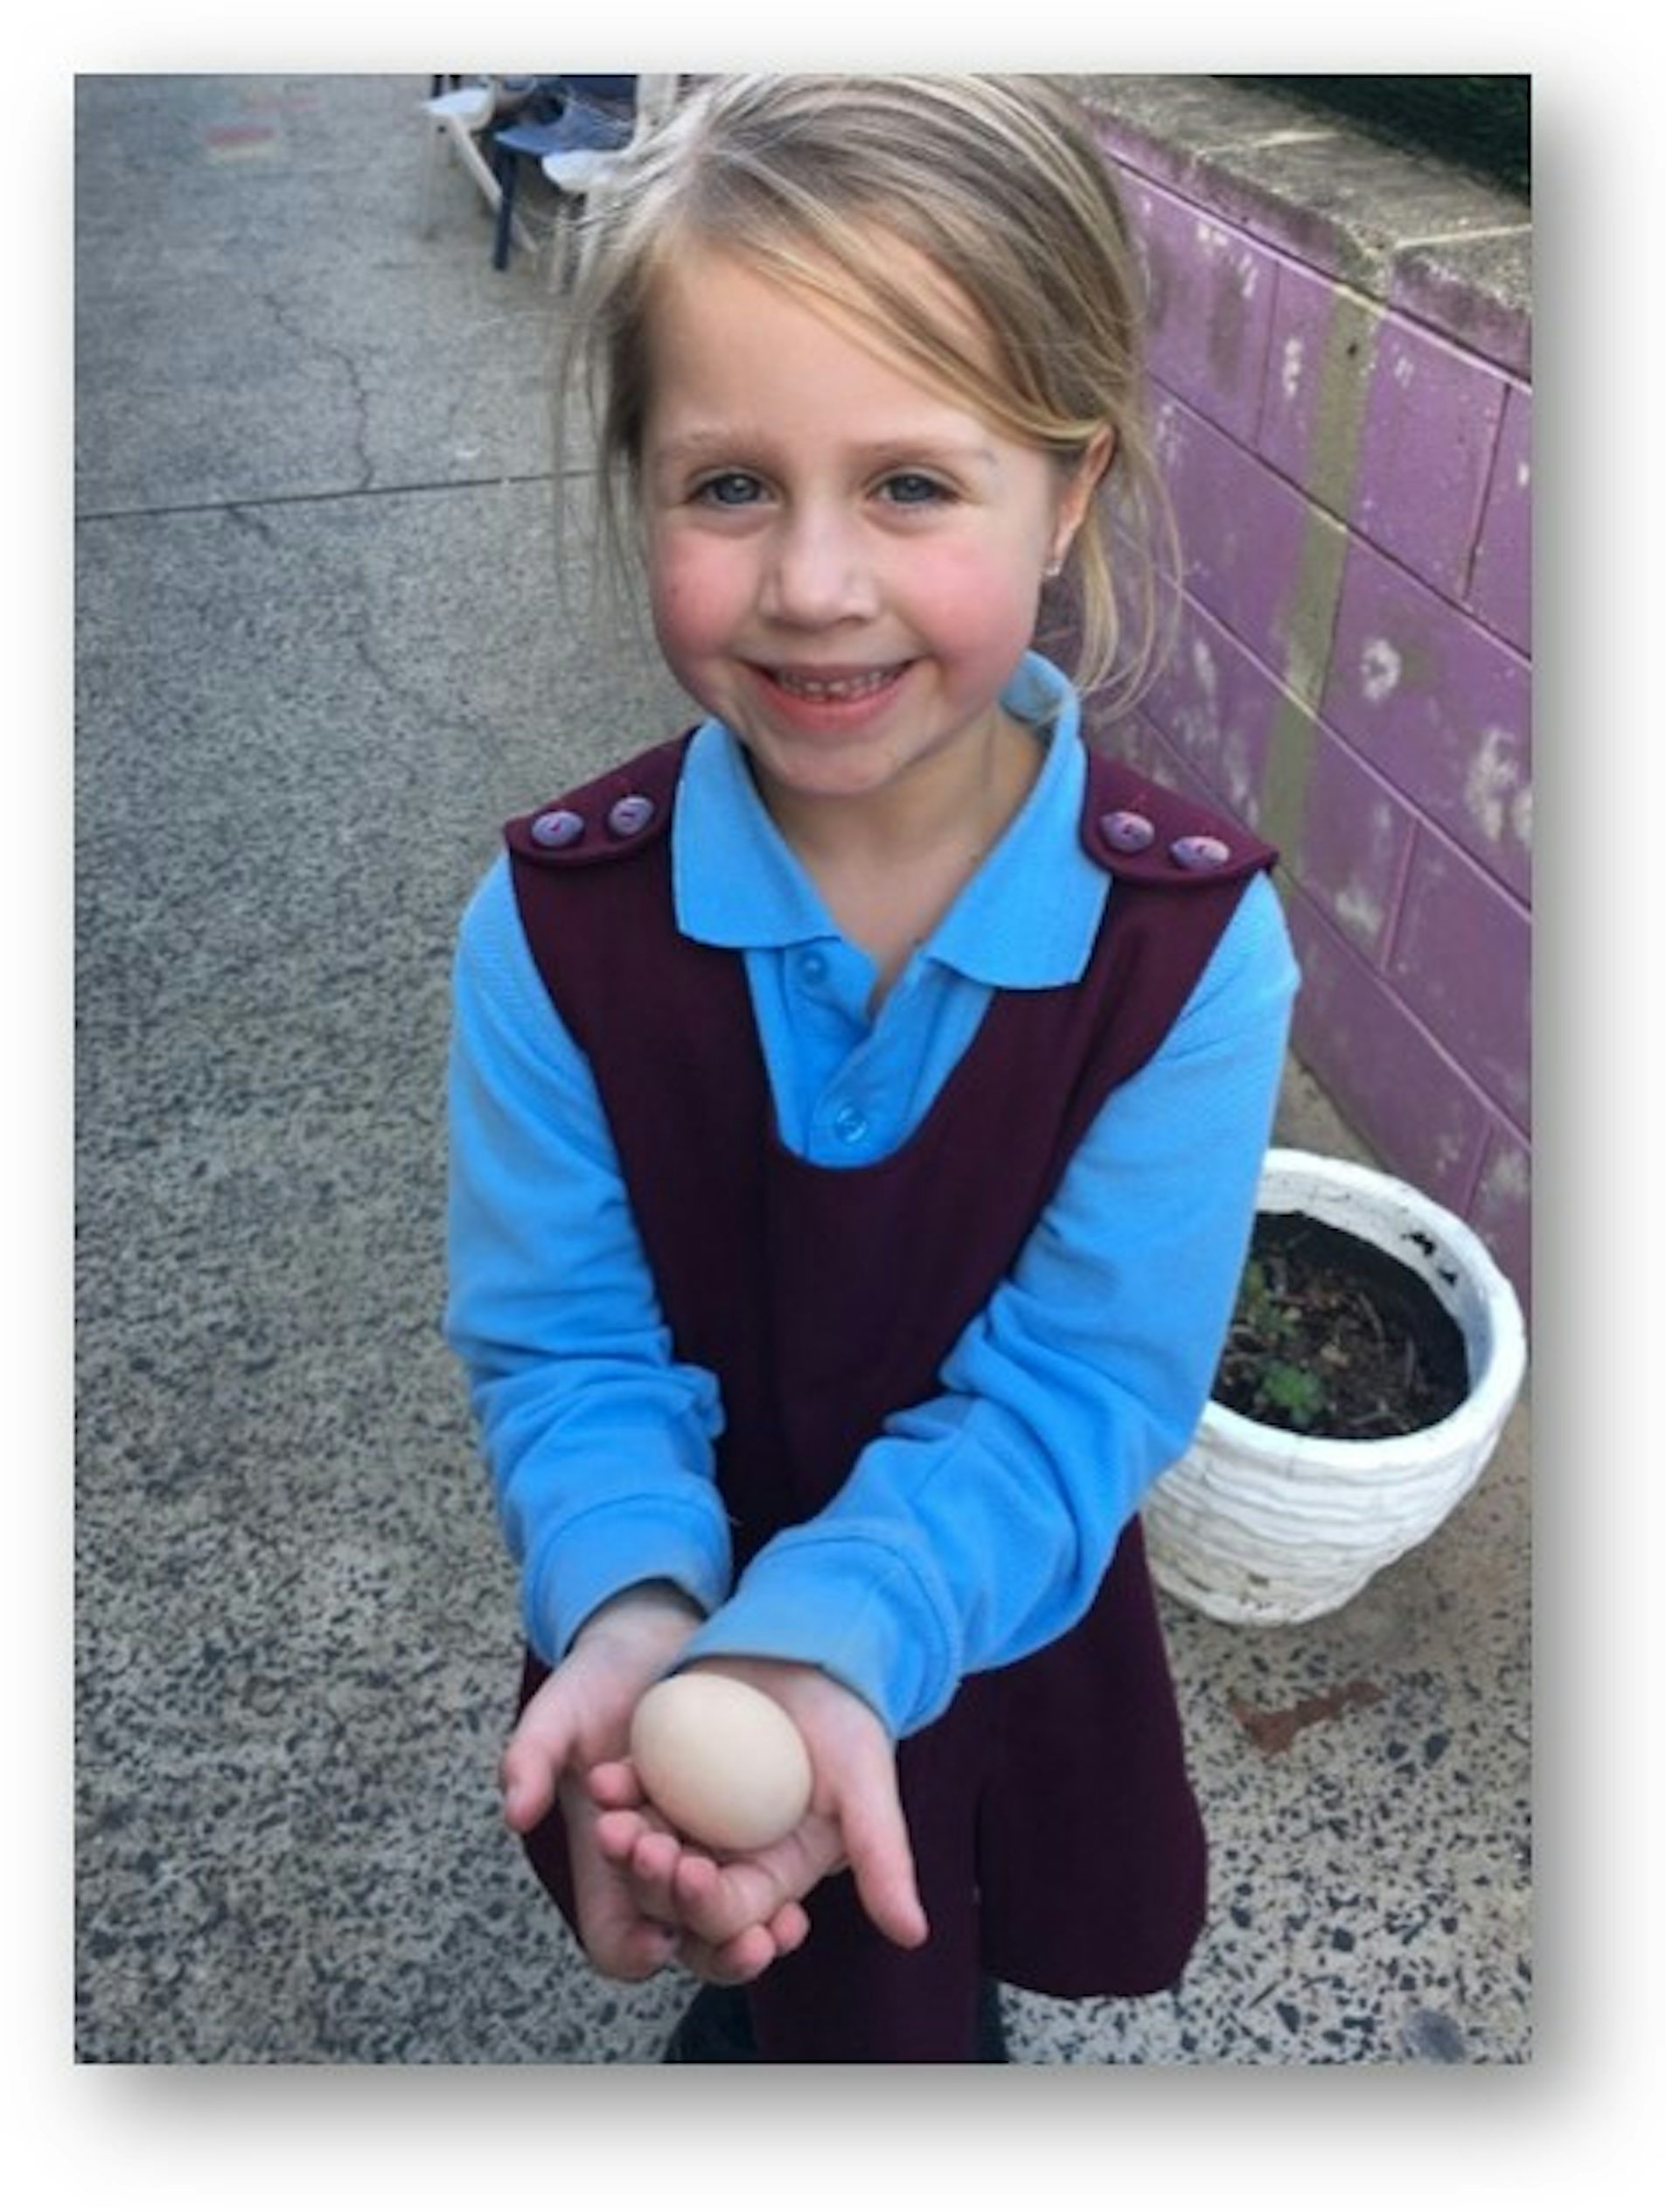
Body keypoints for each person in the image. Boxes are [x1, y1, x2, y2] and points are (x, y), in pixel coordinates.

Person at [444, 73, 1299, 2064]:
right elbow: (561, 1341)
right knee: (743, 1974)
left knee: (924, 1972)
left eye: (912, 483)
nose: (815, 580)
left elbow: (1082, 1382)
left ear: (1069, 488)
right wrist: (642, 1611)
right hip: (661, 1587)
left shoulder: (1185, 947)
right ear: (636, 477)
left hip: (983, 1613)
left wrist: (828, 1637)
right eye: (730, 483)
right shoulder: (554, 927)